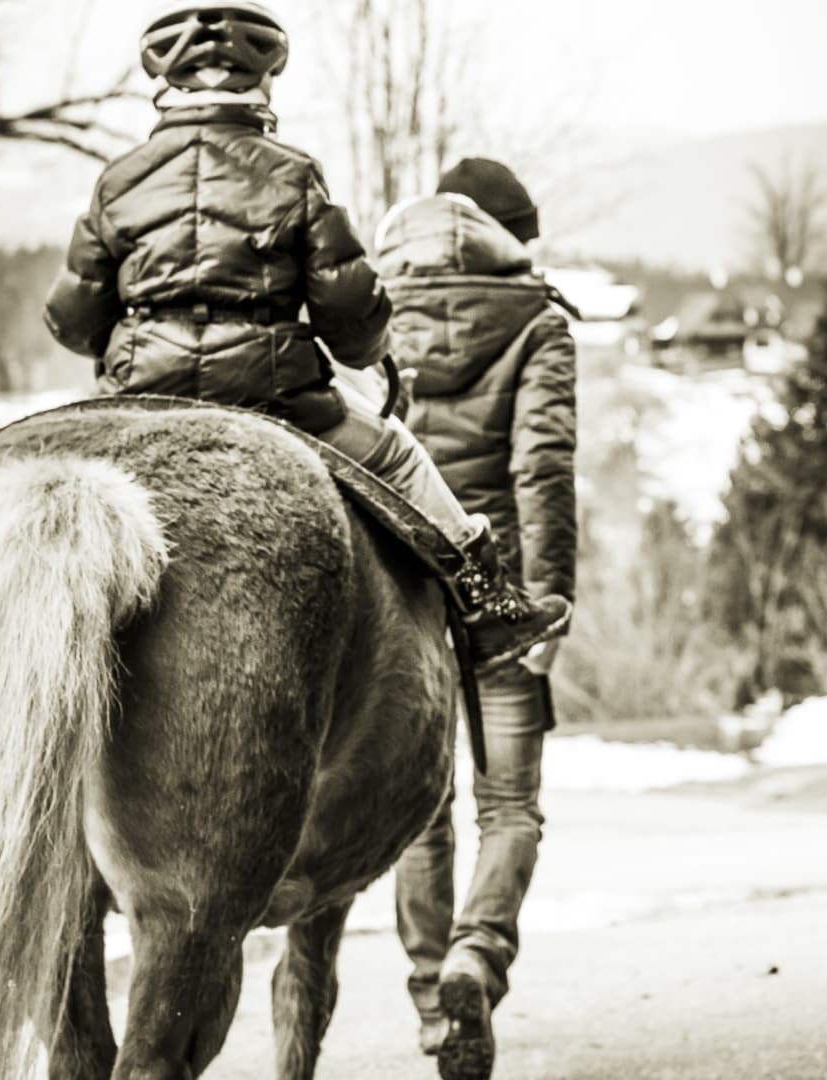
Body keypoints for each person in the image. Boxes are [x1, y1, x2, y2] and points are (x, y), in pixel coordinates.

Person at [42, 2, 568, 669]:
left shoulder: (118, 184)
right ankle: (486, 606)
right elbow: (349, 320)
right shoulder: (293, 175)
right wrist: (370, 348)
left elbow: (73, 321)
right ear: (262, 84)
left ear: (165, 85)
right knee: (401, 456)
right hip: (275, 402)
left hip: (140, 403)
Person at [375, 159, 577, 1080]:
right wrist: (549, 604)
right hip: (499, 599)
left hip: (402, 594)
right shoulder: (538, 321)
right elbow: (542, 467)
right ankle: (476, 958)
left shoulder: (376, 313)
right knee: (511, 808)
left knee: (422, 812)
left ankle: (432, 1001)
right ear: (510, 240)